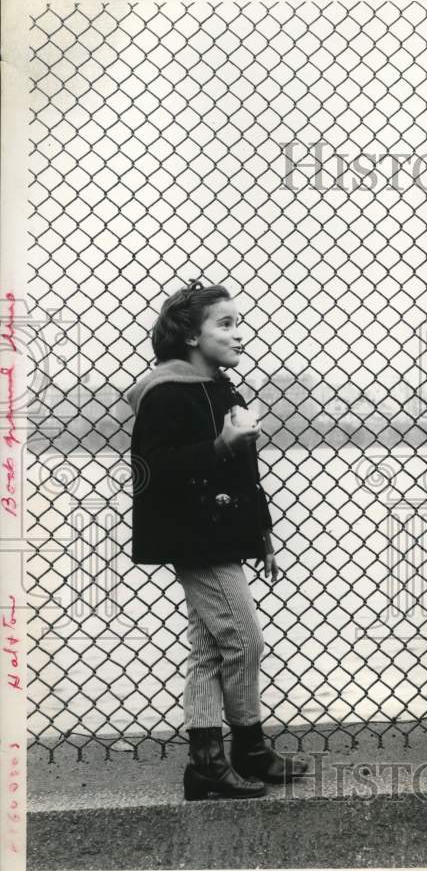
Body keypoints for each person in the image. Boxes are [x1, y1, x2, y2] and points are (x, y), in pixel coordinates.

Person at [125, 280, 308, 801]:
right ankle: (247, 747)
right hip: (193, 536)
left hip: (224, 533)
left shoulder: (224, 389)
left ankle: (210, 763)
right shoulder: (164, 393)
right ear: (190, 336)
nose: (238, 334)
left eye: (239, 323)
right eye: (225, 324)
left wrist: (262, 532)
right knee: (245, 640)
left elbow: (246, 475)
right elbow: (152, 469)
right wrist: (221, 444)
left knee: (208, 648)